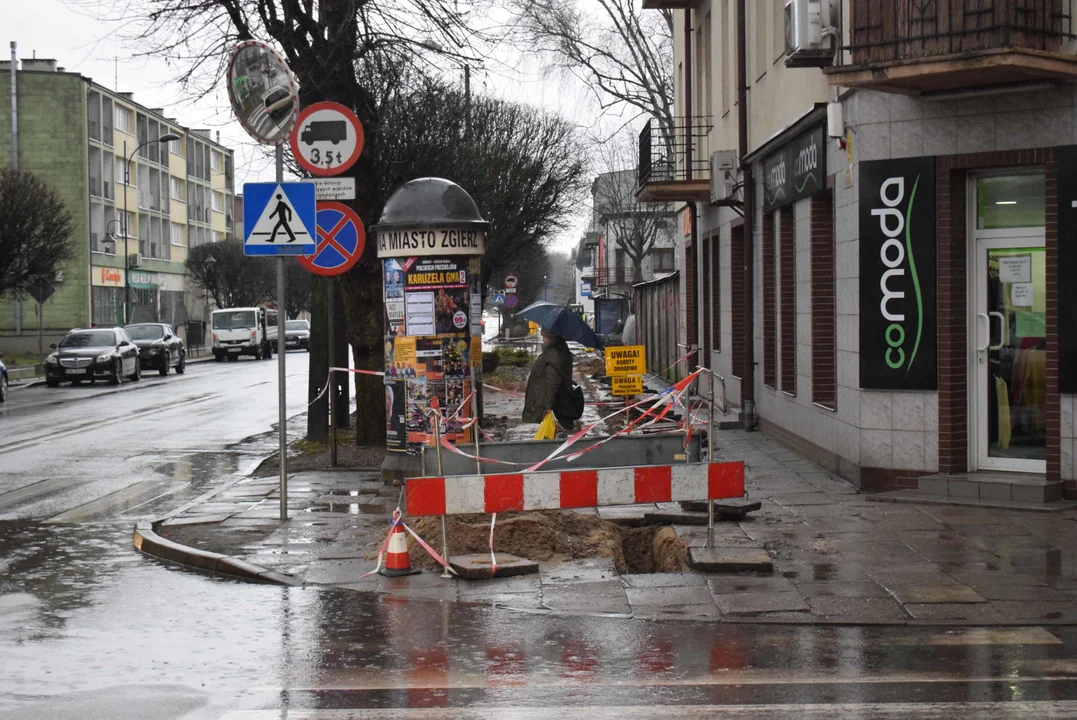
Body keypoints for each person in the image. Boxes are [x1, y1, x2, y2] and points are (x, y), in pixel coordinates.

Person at [522, 328, 573, 424]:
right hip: (553, 399)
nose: (542, 339)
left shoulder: (553, 354)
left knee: (550, 430)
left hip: (547, 400)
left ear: (550, 338)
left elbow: (552, 381)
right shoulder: (556, 350)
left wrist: (548, 406)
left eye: (544, 336)